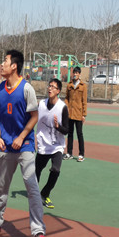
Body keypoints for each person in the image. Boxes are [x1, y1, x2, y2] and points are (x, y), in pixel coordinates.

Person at [0, 50, 46, 237]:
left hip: (26, 146)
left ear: (14, 66)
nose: (1, 64)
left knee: (32, 186)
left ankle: (38, 230)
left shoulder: (26, 89)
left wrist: (21, 137)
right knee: (1, 186)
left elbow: (34, 116)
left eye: (4, 61)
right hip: (5, 146)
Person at [35, 78, 69, 210]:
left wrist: (58, 127)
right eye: (49, 86)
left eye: (53, 87)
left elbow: (66, 130)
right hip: (43, 144)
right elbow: (32, 118)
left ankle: (45, 193)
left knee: (56, 170)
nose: (50, 89)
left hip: (57, 146)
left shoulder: (62, 107)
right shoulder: (41, 104)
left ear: (58, 91)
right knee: (36, 170)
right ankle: (34, 192)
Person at [64, 66, 88, 162]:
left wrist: (84, 114)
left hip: (78, 113)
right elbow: (66, 98)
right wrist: (66, 107)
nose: (75, 74)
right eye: (74, 73)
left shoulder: (83, 86)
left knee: (79, 134)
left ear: (79, 74)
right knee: (70, 133)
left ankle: (81, 154)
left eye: (77, 73)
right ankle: (69, 153)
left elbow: (84, 101)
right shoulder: (69, 85)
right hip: (70, 113)